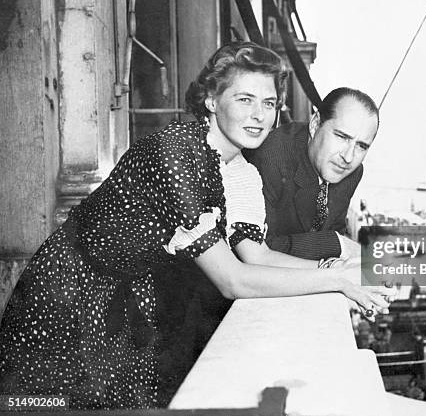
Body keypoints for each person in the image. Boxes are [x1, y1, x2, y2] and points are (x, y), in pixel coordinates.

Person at [0, 42, 394, 409]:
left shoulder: (239, 171)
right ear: (211, 99)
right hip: (69, 297)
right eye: (244, 99)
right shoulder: (177, 153)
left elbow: (257, 256)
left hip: (129, 307)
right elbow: (234, 280)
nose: (259, 115)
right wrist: (337, 281)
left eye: (269, 103)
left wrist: (341, 270)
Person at [246, 87, 379, 260]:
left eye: (361, 146)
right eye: (341, 137)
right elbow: (261, 250)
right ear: (315, 124)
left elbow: (334, 228)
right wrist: (337, 244)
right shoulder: (272, 157)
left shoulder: (352, 171)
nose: (348, 157)